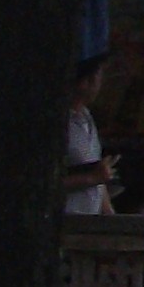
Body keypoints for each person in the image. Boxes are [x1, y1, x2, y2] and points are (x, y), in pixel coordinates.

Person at [60, 52, 115, 217]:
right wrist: (91, 178)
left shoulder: (86, 117)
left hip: (88, 220)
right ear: (85, 82)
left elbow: (99, 180)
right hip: (66, 219)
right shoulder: (61, 124)